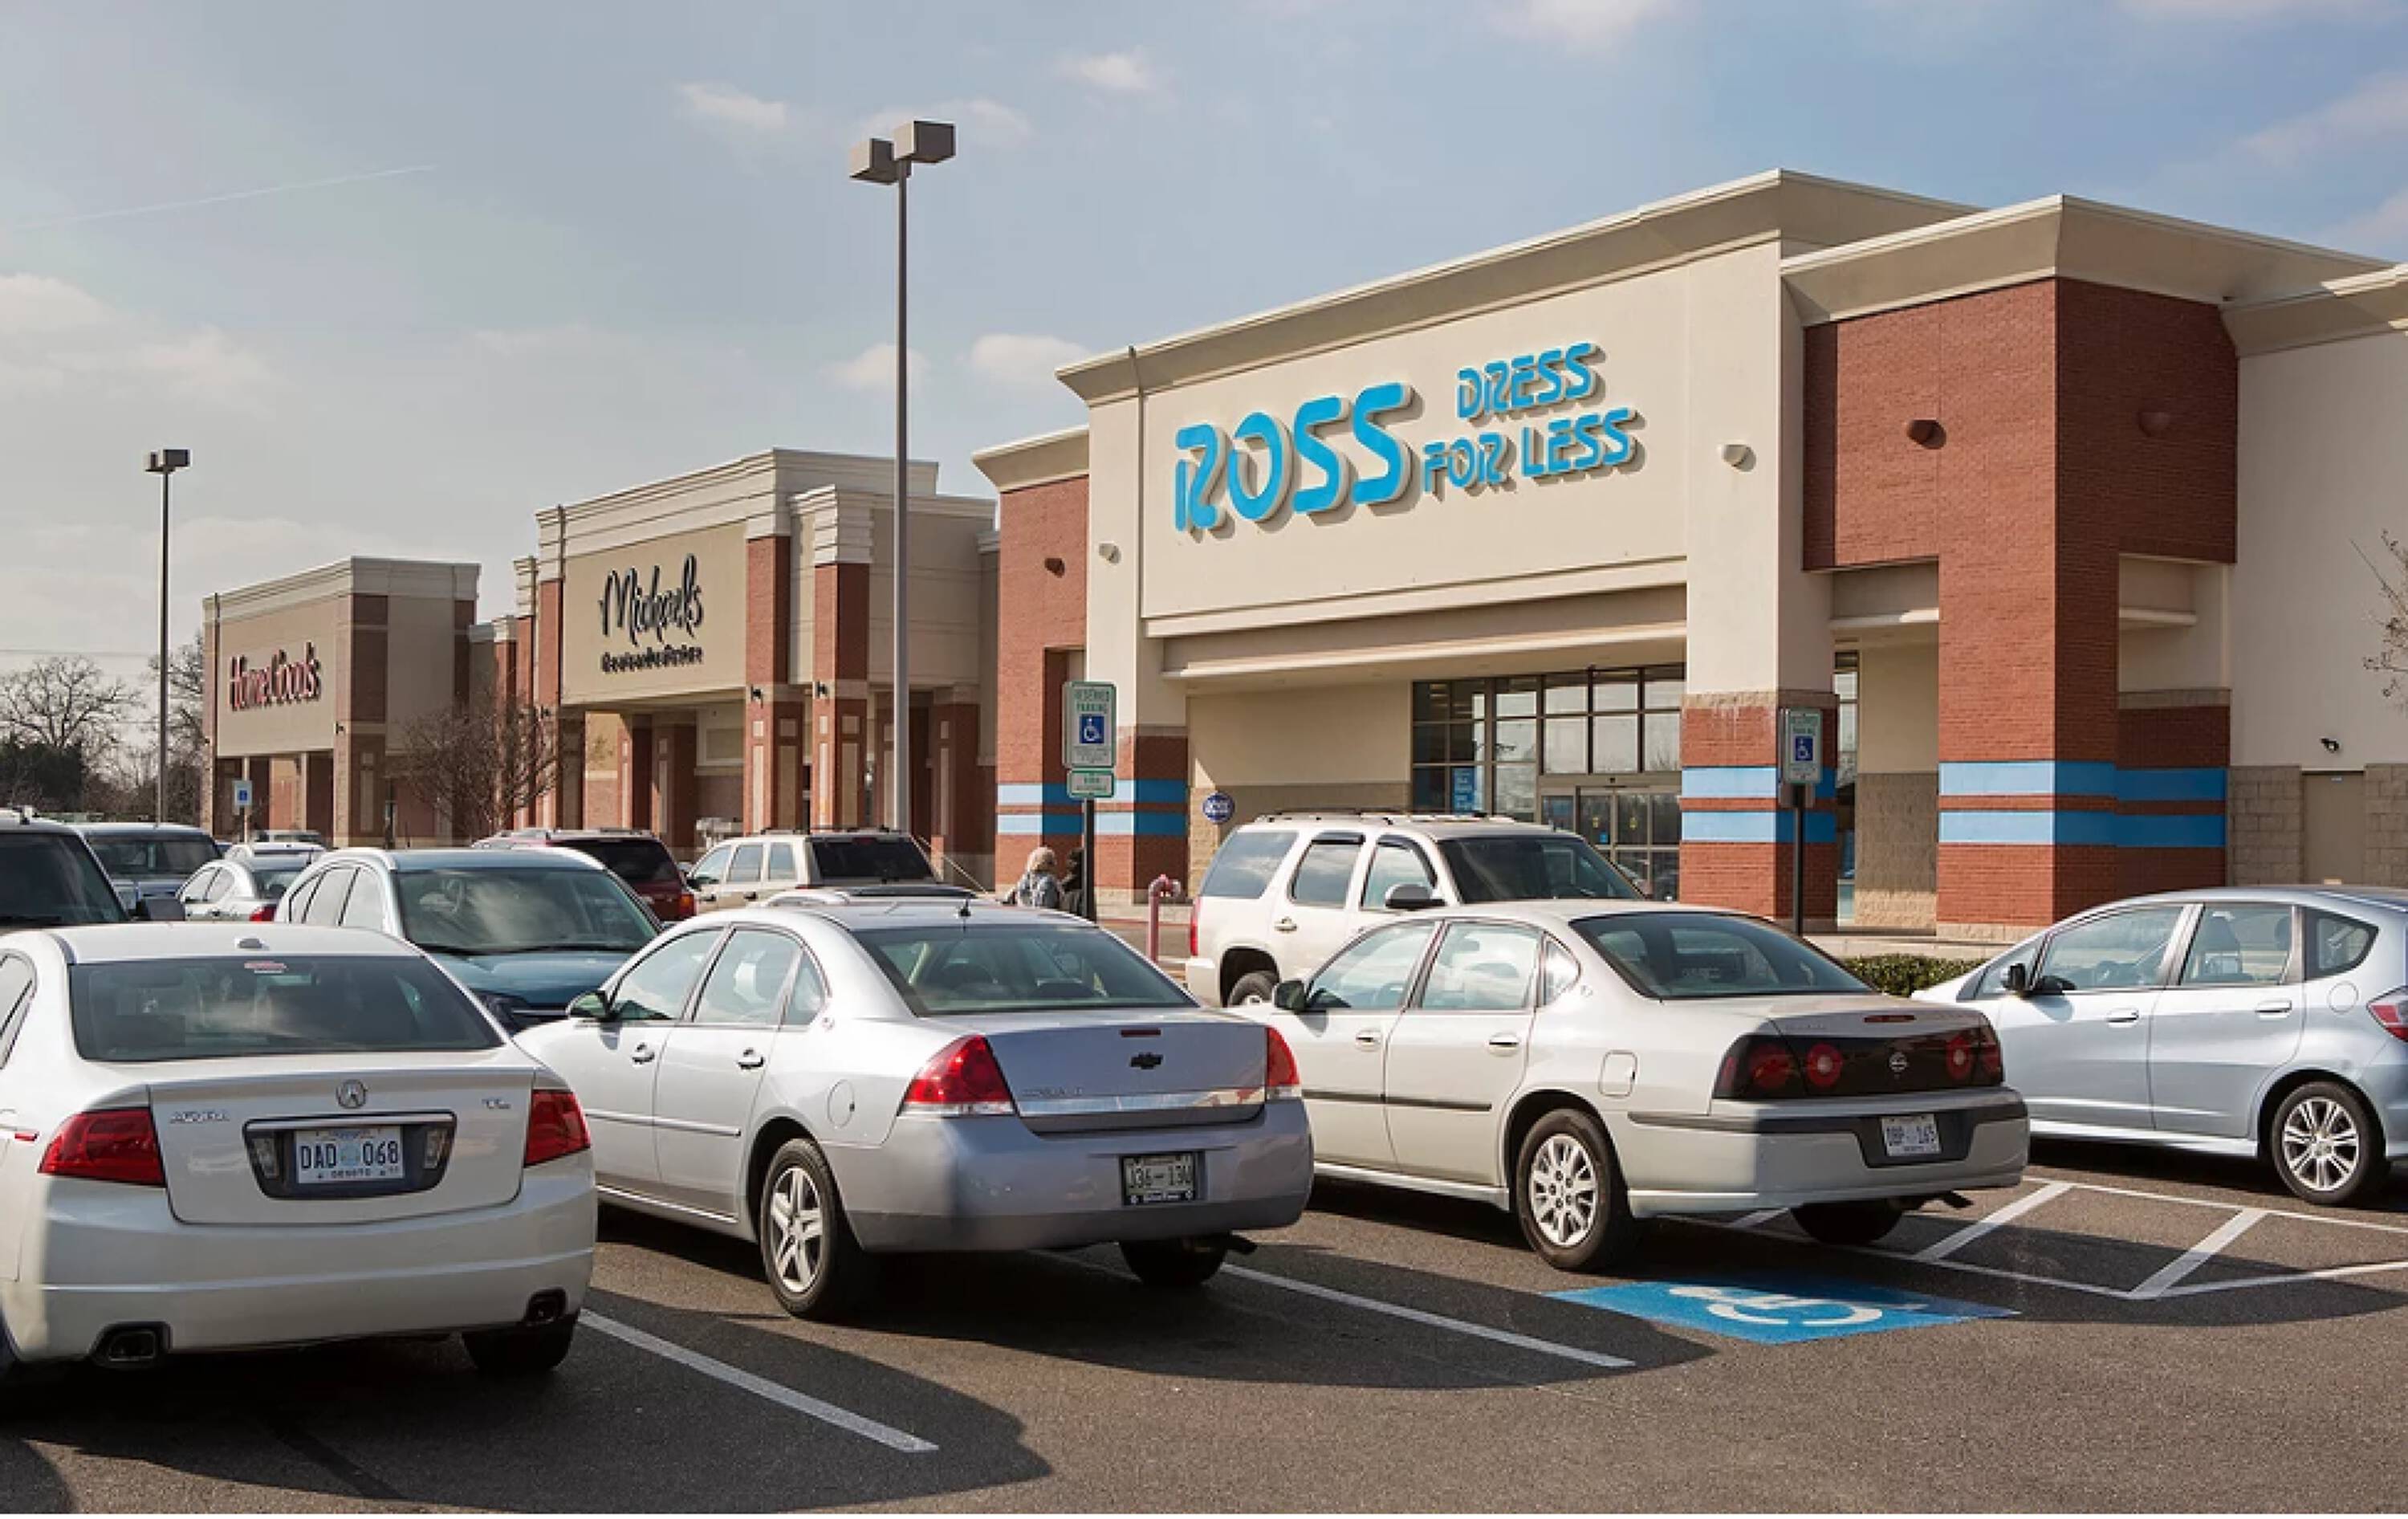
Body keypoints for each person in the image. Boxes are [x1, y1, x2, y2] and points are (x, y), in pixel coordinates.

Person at [1004, 846, 1065, 910]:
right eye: (1052, 862)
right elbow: (1048, 907)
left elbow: (1007, 901)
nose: (1055, 865)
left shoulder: (1022, 881)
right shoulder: (1049, 882)